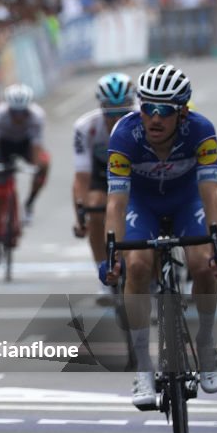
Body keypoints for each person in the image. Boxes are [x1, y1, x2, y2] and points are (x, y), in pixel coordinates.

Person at [99, 64, 217, 408]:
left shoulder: (201, 131)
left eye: (165, 110)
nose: (154, 118)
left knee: (203, 265)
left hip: (186, 201)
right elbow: (116, 202)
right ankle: (143, 365)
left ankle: (205, 343)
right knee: (138, 265)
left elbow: (212, 195)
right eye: (147, 108)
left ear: (183, 112)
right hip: (143, 205)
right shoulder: (124, 134)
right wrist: (111, 253)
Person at [72, 73, 136, 301]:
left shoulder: (144, 120)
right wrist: (81, 214)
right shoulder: (85, 127)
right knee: (95, 207)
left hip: (138, 169)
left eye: (124, 113)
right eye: (111, 113)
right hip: (102, 172)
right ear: (101, 107)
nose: (117, 120)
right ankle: (105, 270)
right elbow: (81, 178)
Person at [0, 83, 49, 266]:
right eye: (14, 112)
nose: (18, 117)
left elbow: (36, 147)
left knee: (44, 163)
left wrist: (36, 168)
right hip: (3, 146)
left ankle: (30, 202)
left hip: (25, 144)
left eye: (22, 112)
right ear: (8, 108)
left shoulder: (37, 116)